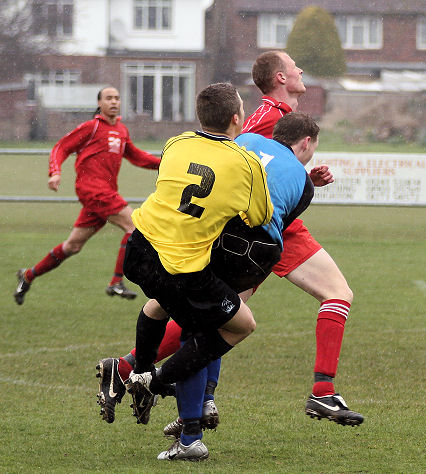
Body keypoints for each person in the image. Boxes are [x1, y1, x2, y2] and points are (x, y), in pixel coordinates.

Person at [95, 50, 363, 430]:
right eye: (294, 66)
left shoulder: (277, 117)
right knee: (226, 316)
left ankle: (144, 378)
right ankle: (318, 391)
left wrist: (303, 179)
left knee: (211, 313)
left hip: (262, 227)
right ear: (280, 79)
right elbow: (237, 160)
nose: (301, 69)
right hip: (262, 232)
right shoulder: (266, 116)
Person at [120, 82, 272, 460]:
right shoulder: (246, 164)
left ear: (199, 115)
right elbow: (259, 218)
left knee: (161, 306)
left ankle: (141, 368)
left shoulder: (176, 143)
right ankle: (152, 382)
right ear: (237, 119)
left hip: (139, 251)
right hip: (184, 268)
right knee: (235, 326)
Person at [157, 114, 320, 461]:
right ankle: (202, 400)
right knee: (217, 324)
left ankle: (189, 432)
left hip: (221, 238)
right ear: (305, 143)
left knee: (192, 328)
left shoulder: (245, 140)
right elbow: (280, 220)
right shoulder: (304, 184)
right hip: (258, 257)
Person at [13, 86, 160, 305]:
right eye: (108, 98)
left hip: (103, 194)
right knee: (135, 227)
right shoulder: (91, 127)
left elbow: (137, 156)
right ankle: (116, 282)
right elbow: (61, 148)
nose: (114, 102)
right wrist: (55, 172)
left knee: (72, 246)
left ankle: (28, 276)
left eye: (117, 98)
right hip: (93, 190)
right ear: (99, 103)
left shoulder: (121, 130)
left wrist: (165, 164)